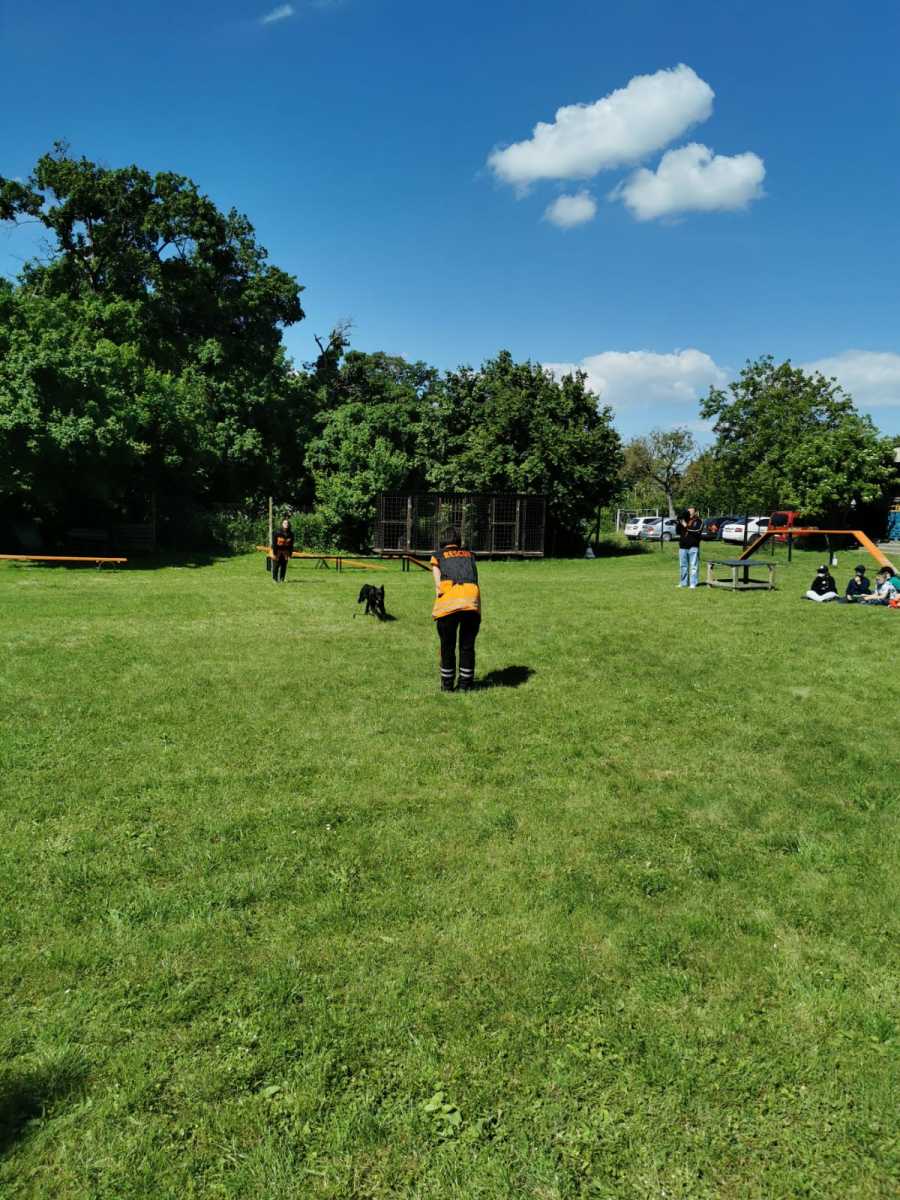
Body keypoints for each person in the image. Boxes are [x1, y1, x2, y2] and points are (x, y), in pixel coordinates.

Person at [430, 526, 481, 692]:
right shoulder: (470, 555)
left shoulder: (437, 556)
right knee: (467, 646)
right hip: (471, 602)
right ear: (458, 541)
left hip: (449, 604)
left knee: (447, 645)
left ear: (442, 541)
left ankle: (447, 685)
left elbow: (438, 586)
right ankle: (465, 685)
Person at [676, 506, 703, 589]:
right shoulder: (684, 520)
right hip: (683, 546)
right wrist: (679, 523)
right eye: (688, 511)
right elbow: (678, 531)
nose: (690, 512)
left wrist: (686, 526)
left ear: (695, 512)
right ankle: (683, 583)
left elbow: (697, 531)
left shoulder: (699, 521)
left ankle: (693, 583)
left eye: (691, 511)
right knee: (683, 566)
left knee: (693, 566)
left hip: (693, 546)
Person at [271, 517, 294, 583]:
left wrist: (290, 554)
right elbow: (274, 543)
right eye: (284, 523)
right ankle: (275, 579)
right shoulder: (276, 532)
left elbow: (291, 545)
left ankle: (282, 579)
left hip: (285, 552)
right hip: (277, 551)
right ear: (282, 524)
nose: (286, 524)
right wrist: (274, 553)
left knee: (284, 566)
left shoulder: (291, 534)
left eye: (287, 523)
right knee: (276, 566)